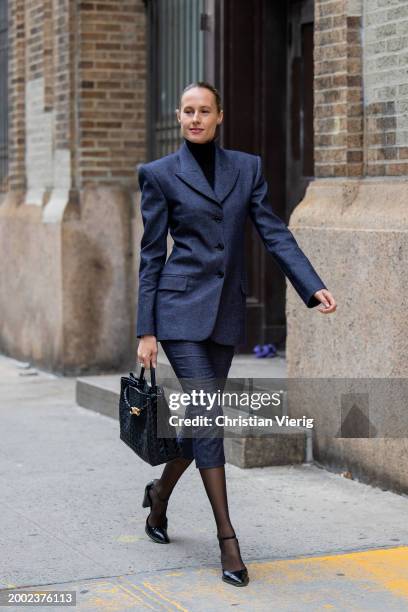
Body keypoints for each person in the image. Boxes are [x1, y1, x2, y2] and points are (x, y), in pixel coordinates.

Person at [136, 81, 337, 587]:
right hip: (179, 313)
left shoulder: (246, 168)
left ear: (220, 116)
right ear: (178, 116)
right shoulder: (159, 175)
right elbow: (151, 254)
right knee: (208, 414)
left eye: (205, 110)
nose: (196, 118)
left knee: (197, 421)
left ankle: (159, 496)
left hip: (224, 315)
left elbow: (274, 232)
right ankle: (229, 539)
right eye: (187, 111)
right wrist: (146, 328)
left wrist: (311, 287)